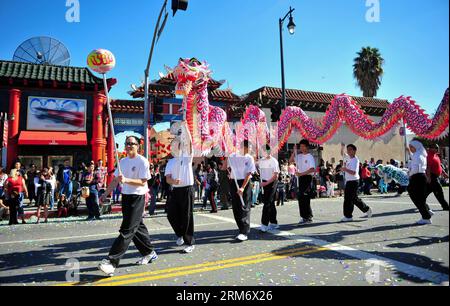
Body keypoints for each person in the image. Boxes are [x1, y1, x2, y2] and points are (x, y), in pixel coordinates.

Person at [98, 136, 156, 276]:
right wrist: (106, 194)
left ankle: (111, 262)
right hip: (126, 197)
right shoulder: (122, 161)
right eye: (127, 143)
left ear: (138, 146)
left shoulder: (142, 161)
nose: (129, 146)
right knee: (136, 227)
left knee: (127, 230)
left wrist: (127, 180)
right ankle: (149, 252)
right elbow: (116, 180)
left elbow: (143, 181)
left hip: (137, 197)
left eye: (132, 143)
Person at [165, 125, 196, 253]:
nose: (174, 146)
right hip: (175, 190)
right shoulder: (170, 162)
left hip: (187, 189)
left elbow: (189, 141)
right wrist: (173, 181)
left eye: (176, 144)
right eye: (172, 145)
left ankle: (189, 243)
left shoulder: (187, 156)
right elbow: (167, 178)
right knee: (171, 214)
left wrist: (185, 126)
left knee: (186, 216)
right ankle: (180, 234)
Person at [227, 140, 256, 242]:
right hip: (234, 182)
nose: (250, 150)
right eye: (249, 148)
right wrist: (229, 171)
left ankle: (244, 232)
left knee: (244, 206)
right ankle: (240, 228)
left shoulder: (249, 158)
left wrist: (242, 187)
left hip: (244, 183)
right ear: (244, 147)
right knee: (236, 207)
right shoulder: (232, 156)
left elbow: (249, 174)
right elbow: (228, 168)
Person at [340, 144, 372, 222]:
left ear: (354, 151)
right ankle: (367, 209)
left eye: (350, 149)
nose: (348, 151)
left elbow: (354, 172)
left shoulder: (355, 160)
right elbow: (342, 154)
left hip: (354, 181)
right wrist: (342, 147)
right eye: (348, 150)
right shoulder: (348, 157)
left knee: (348, 199)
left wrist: (345, 169)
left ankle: (348, 216)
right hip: (349, 181)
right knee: (353, 198)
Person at [290, 139, 316, 225]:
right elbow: (291, 161)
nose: (301, 148)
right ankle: (303, 216)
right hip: (300, 178)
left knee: (305, 197)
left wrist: (301, 173)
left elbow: (312, 169)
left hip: (307, 178)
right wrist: (294, 151)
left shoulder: (309, 156)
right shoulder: (299, 156)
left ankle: (308, 217)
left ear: (307, 147)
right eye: (300, 146)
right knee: (300, 197)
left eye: (302, 146)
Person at [408, 140, 433, 224]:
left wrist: (408, 174)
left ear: (416, 147)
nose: (410, 148)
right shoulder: (419, 154)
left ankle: (426, 217)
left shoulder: (418, 156)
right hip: (419, 177)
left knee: (417, 198)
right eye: (410, 147)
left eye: (411, 147)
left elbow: (416, 169)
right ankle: (427, 212)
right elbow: (413, 159)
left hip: (417, 177)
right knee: (420, 198)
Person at [258, 145, 280, 233]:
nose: (262, 153)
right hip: (264, 183)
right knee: (270, 203)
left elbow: (276, 175)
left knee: (267, 203)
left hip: (272, 183)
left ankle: (264, 224)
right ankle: (274, 222)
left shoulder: (274, 161)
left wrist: (266, 183)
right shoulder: (261, 161)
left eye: (264, 151)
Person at [426, 144, 449, 211]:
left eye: (437, 147)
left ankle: (420, 202)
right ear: (430, 148)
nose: (437, 149)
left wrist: (444, 173)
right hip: (432, 177)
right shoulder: (429, 156)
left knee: (427, 191)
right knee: (439, 191)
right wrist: (429, 178)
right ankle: (446, 206)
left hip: (435, 176)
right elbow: (428, 168)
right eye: (436, 148)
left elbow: (439, 166)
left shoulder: (435, 155)